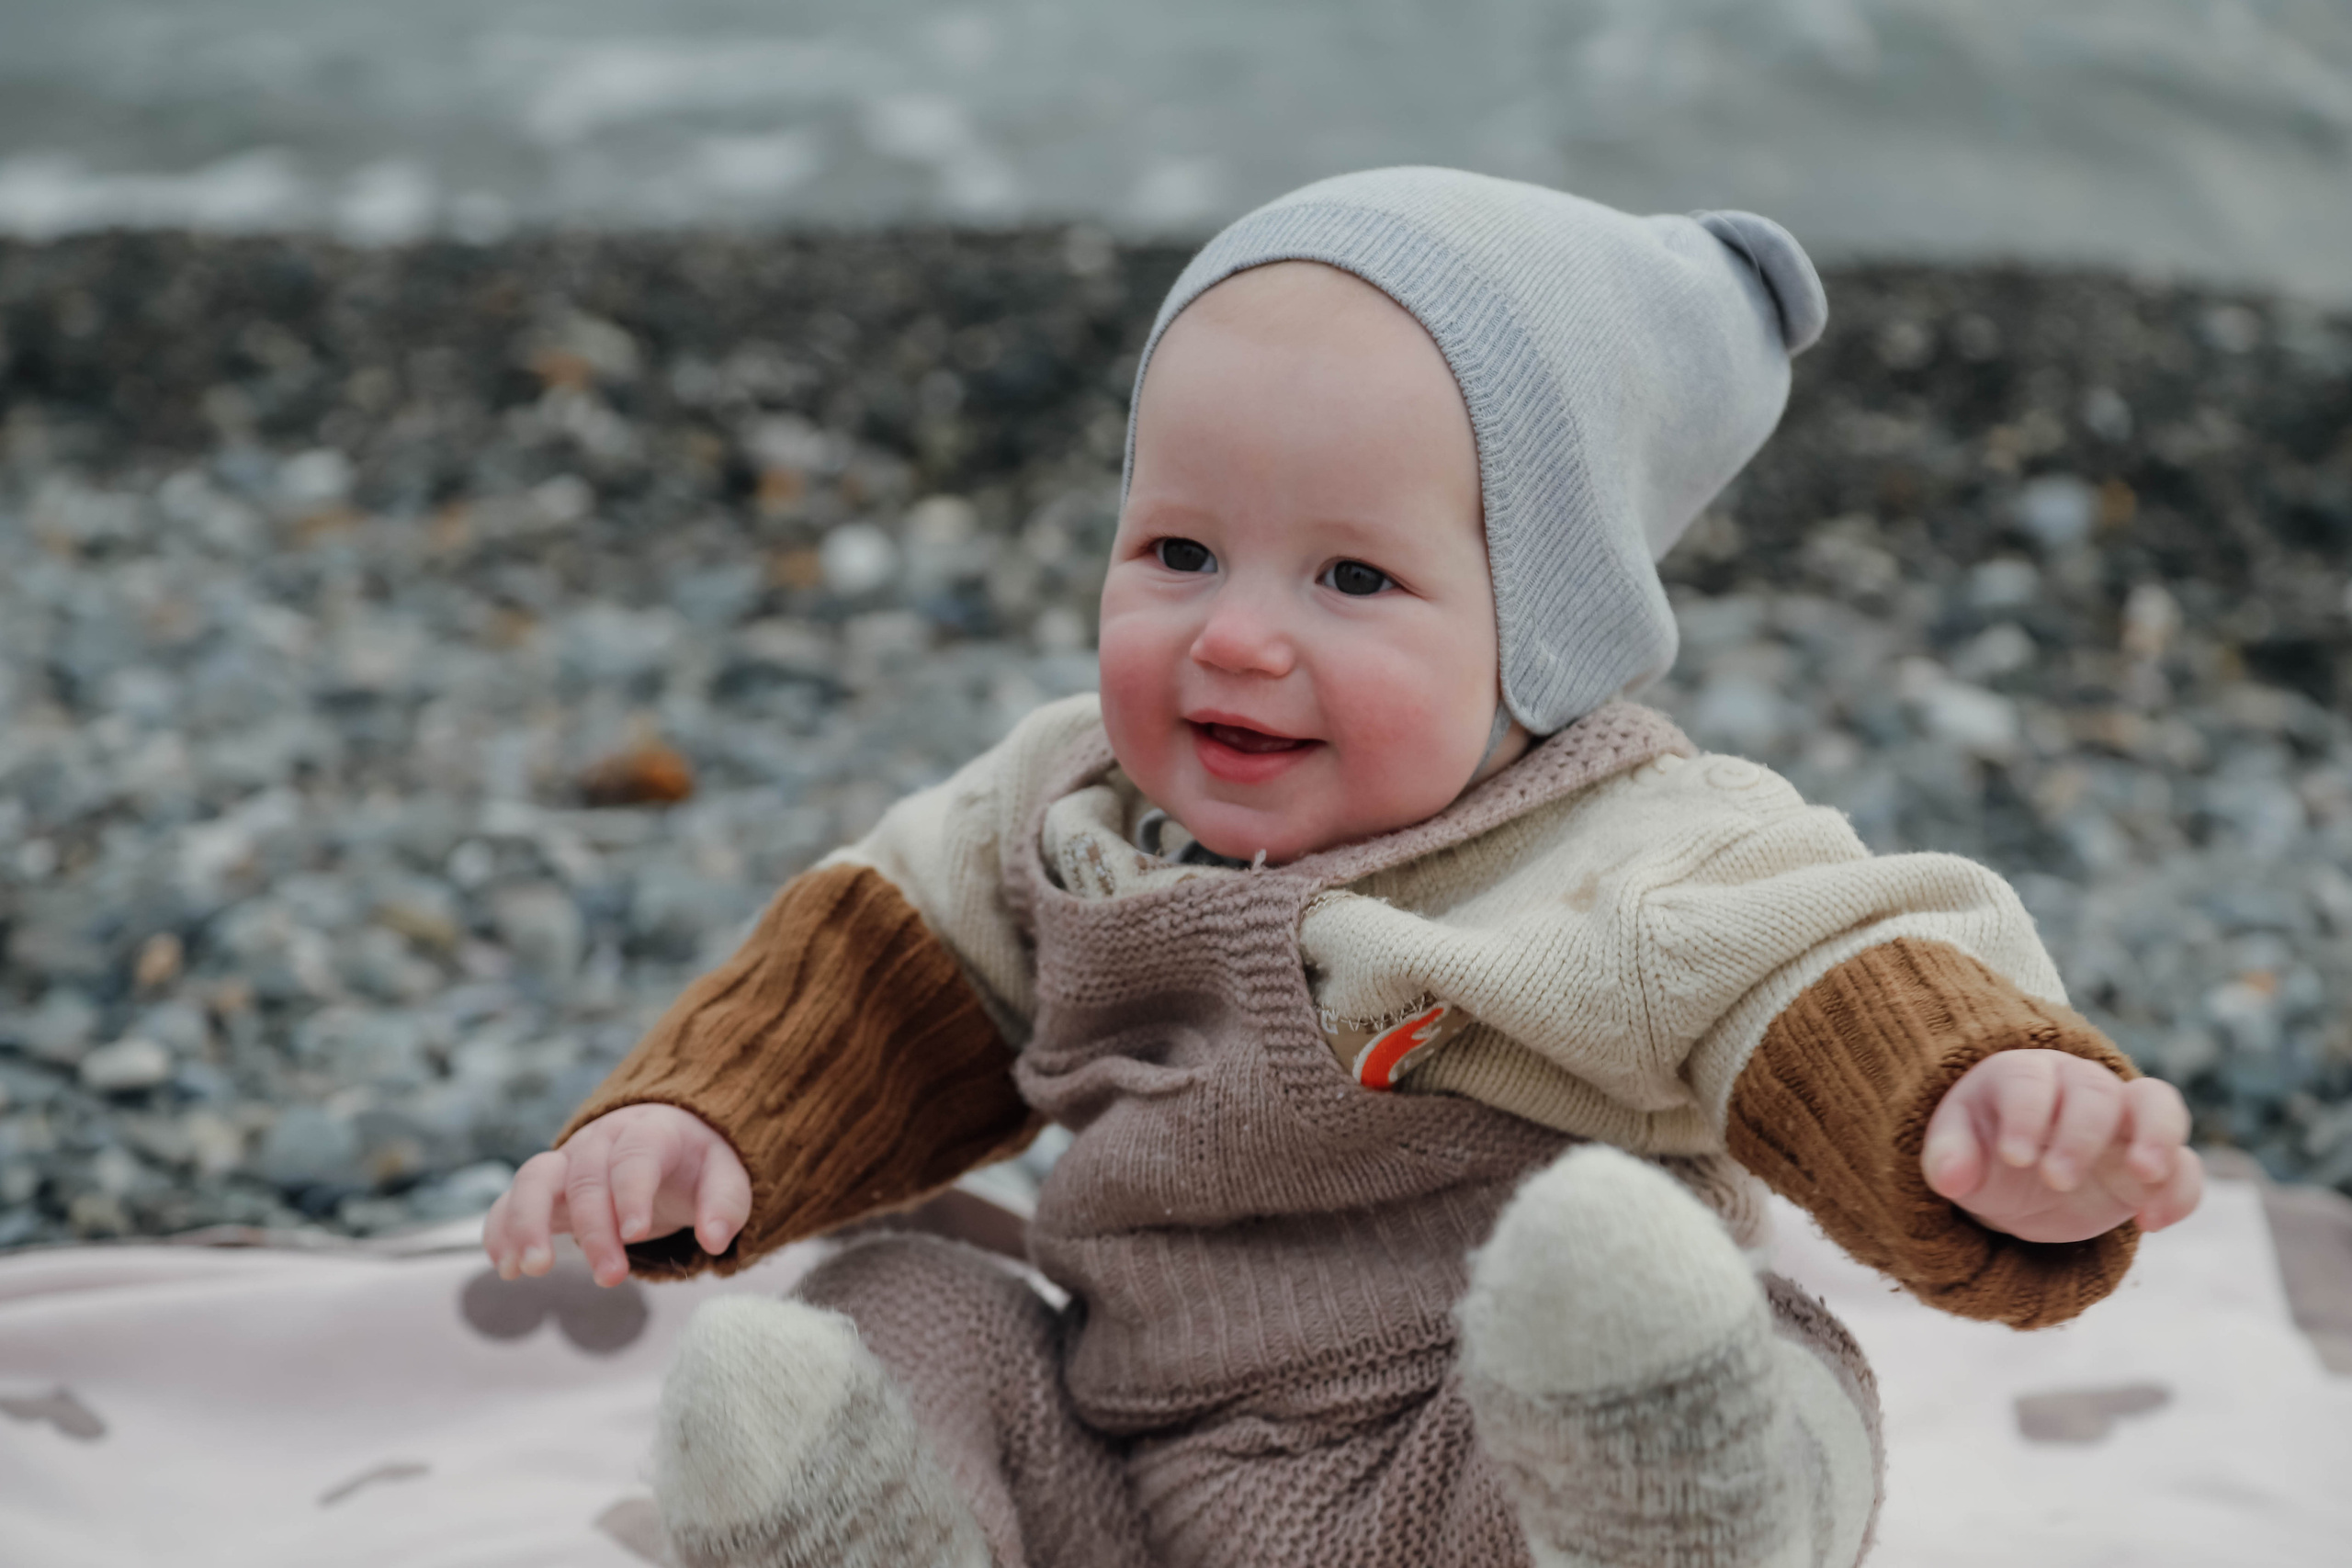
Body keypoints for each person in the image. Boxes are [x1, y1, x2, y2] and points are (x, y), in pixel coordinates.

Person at [482, 168, 2204, 1568]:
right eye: (1179, 549)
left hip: (1479, 1455)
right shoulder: (1064, 811)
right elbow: (881, 967)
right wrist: (701, 1124)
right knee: (886, 1305)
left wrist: (1977, 1107)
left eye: (1353, 582)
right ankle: (885, 1534)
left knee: (1729, 1361)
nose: (1235, 638)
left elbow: (1828, 966)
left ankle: (1672, 1499)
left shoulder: (1631, 852)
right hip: (1126, 1460)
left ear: (1546, 630)